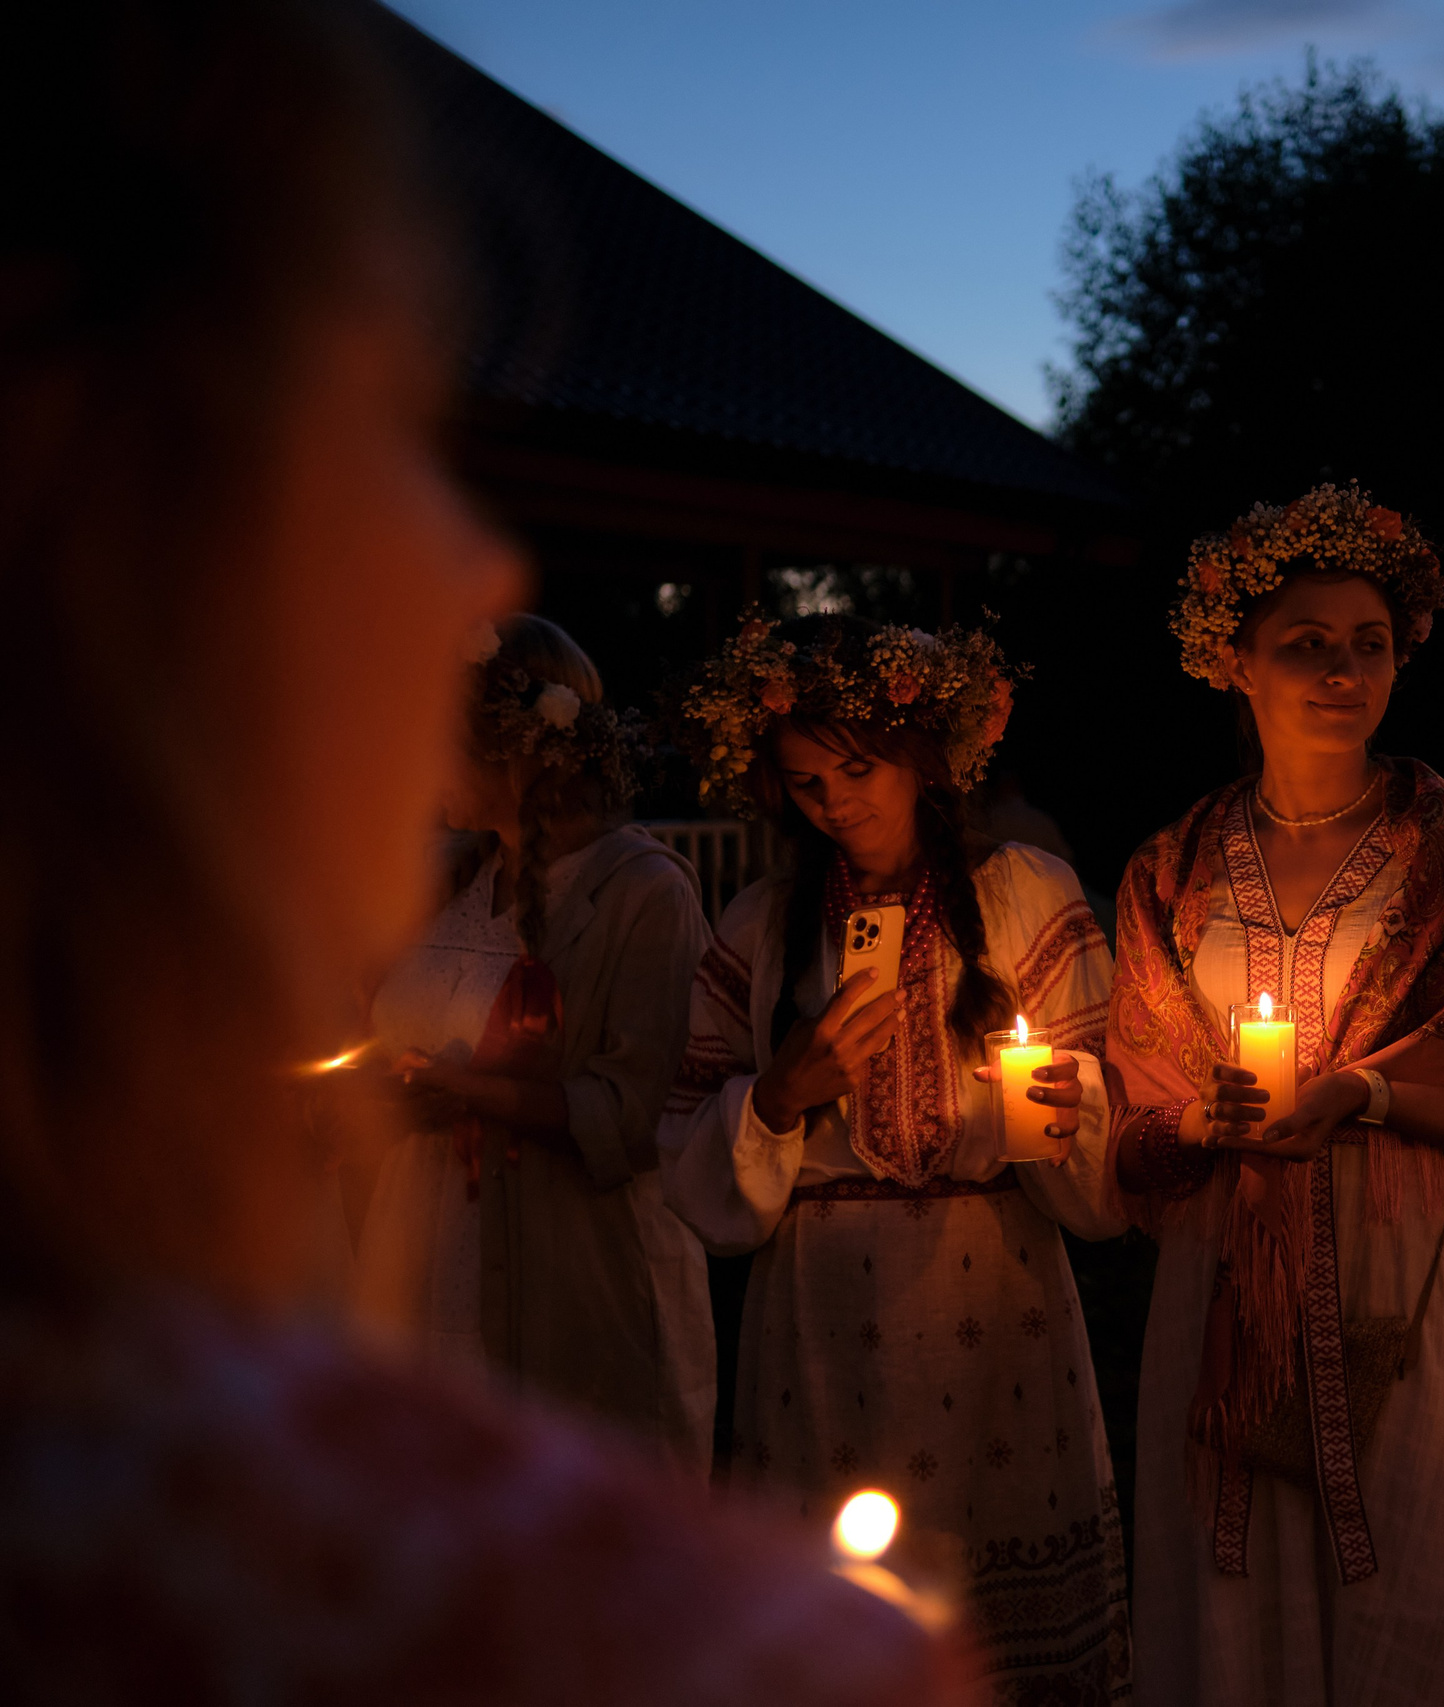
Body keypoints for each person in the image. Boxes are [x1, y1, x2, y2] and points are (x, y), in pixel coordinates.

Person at [0, 2, 966, 1697]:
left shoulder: (653, 897)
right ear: (149, 545)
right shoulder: (677, 1647)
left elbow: (620, 1116)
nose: (478, 563)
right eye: (390, 423)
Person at [1107, 483, 1444, 1706]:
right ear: (1233, 661)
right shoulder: (1168, 869)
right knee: (1232, 1609)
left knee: (1423, 1595)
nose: (1343, 672)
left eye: (1369, 645)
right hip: (1222, 1285)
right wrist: (1194, 1122)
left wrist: (1370, 1098)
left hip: (1407, 1281)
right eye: (1307, 645)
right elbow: (1134, 1121)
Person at [659, 612, 1132, 1701]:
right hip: (822, 1327)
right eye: (806, 781)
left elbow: (1108, 1147)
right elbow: (684, 1154)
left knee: (998, 1634)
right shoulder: (761, 924)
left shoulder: (1025, 893)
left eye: (858, 770)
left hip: (997, 1312)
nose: (835, 803)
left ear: (922, 757)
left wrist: (1069, 1109)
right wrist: (773, 1099)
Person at [347, 613, 716, 1472]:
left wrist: (475, 1094)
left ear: (515, 750)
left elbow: (634, 1116)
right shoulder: (458, 876)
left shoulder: (642, 893)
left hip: (561, 1267)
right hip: (419, 1244)